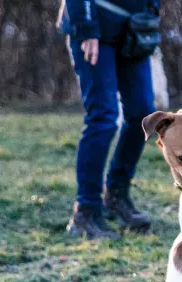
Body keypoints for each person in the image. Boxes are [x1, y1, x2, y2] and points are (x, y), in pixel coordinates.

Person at [58, 0, 159, 239]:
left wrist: (151, 11)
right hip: (94, 28)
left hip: (133, 28)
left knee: (142, 114)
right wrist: (86, 28)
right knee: (103, 117)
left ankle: (116, 194)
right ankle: (86, 210)